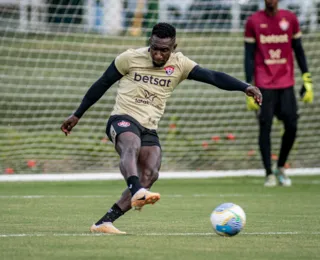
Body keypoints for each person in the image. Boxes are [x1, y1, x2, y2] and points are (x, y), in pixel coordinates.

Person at [61, 22, 262, 234]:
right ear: (150, 43)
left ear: (174, 47)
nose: (158, 55)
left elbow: (213, 76)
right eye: (154, 48)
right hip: (122, 119)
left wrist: (245, 87)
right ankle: (136, 189)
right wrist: (77, 114)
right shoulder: (128, 58)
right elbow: (102, 84)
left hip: (149, 127)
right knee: (131, 145)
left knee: (150, 173)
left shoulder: (180, 64)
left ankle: (104, 223)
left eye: (164, 50)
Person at [244, 0, 314, 187]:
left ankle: (280, 166)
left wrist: (306, 78)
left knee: (292, 125)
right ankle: (269, 173)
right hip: (264, 84)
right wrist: (248, 85)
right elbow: (248, 55)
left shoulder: (290, 19)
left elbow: (299, 50)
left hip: (286, 83)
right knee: (265, 127)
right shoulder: (253, 21)